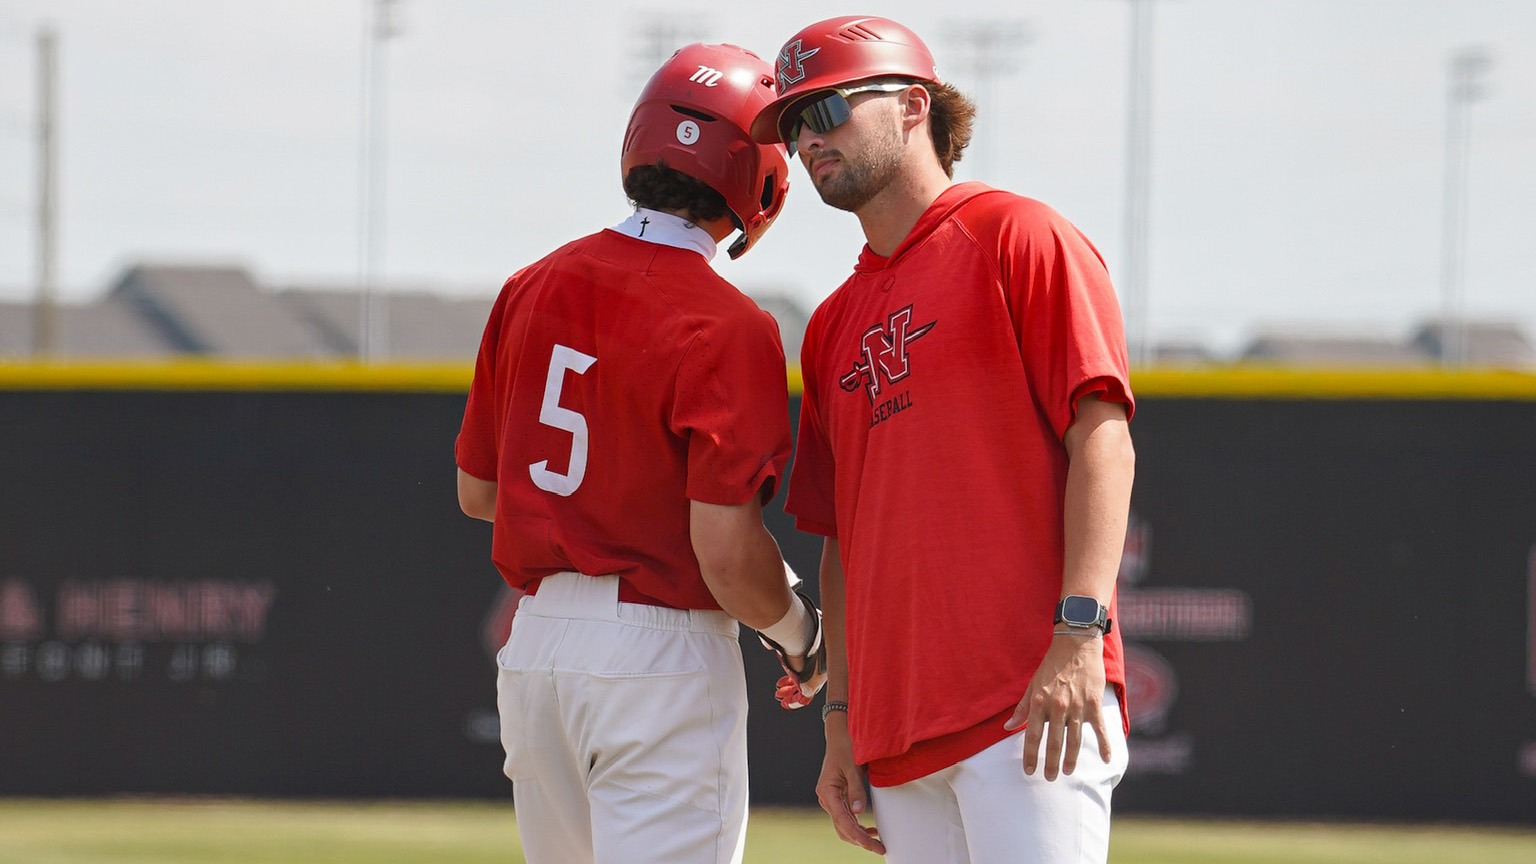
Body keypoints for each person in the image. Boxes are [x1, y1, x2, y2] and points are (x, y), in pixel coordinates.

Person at [749, 15, 1136, 864]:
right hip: (897, 733)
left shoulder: (1017, 235)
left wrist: (1078, 635)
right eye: (793, 123)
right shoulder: (832, 323)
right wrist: (841, 719)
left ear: (912, 105)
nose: (807, 140)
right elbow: (841, 537)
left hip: (1029, 703)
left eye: (827, 110)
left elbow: (1104, 439)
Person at [454, 43, 825, 864]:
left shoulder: (529, 284)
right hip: (659, 651)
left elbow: (479, 492)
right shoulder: (730, 323)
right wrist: (803, 634)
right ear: (760, 179)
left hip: (537, 646)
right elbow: (726, 556)